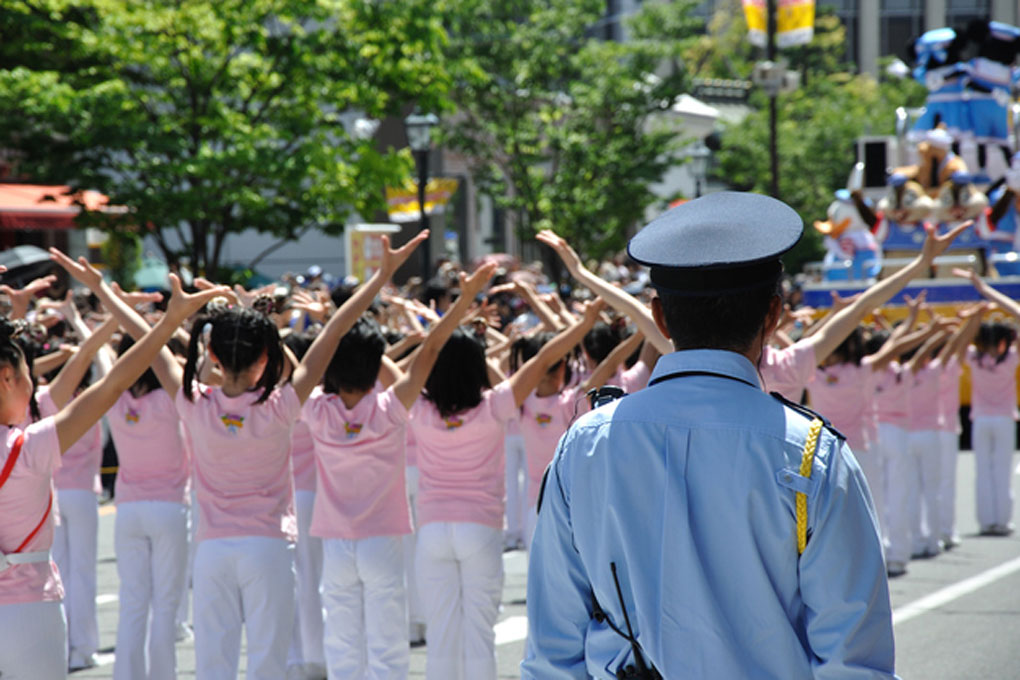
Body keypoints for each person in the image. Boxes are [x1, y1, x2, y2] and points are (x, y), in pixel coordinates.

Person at [523, 192, 905, 679]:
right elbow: (854, 660)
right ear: (772, 316)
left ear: (660, 318)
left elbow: (552, 652)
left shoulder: (586, 443)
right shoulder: (812, 453)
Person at [1, 257, 231, 680]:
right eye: (26, 373)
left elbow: (102, 371)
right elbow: (113, 381)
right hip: (28, 610)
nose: (34, 384)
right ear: (6, 378)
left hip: (126, 507)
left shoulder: (34, 430)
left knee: (135, 600)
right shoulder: (29, 443)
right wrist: (167, 324)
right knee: (159, 600)